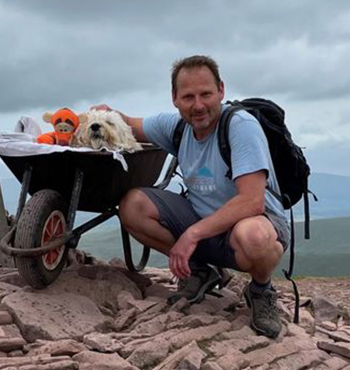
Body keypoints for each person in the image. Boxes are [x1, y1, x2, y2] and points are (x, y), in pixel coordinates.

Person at [93, 55, 289, 338]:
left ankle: (260, 289)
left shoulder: (240, 126)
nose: (198, 105)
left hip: (253, 224)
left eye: (206, 94)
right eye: (188, 96)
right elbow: (127, 123)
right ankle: (200, 271)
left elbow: (251, 201)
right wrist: (104, 115)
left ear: (221, 90)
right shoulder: (176, 126)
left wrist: (192, 234)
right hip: (204, 223)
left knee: (254, 237)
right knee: (132, 206)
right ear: (174, 98)